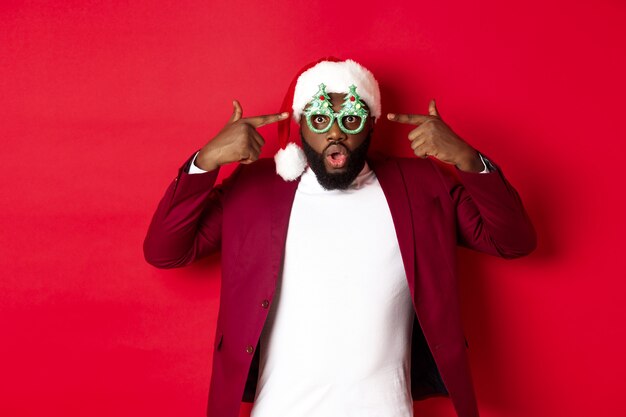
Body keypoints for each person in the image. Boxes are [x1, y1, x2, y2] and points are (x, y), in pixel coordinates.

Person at [143, 58, 536, 417]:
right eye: (320, 119)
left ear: (370, 123)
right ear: (300, 124)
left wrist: (466, 159)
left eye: (350, 119)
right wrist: (205, 161)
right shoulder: (256, 189)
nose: (335, 132)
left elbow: (513, 240)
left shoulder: (420, 185)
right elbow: (166, 250)